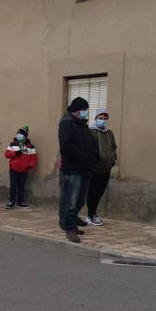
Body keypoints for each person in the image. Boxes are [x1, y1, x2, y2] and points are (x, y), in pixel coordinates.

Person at [58, 97, 98, 243]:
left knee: (80, 200)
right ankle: (69, 229)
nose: (86, 113)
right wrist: (84, 156)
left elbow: (89, 143)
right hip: (73, 169)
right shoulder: (67, 123)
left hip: (85, 169)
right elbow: (66, 146)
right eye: (84, 110)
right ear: (76, 110)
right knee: (71, 200)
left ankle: (72, 223)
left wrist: (94, 155)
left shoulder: (82, 124)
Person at [86, 109, 117, 226]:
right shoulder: (91, 132)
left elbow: (113, 146)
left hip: (107, 168)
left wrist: (113, 158)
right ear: (95, 118)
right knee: (93, 192)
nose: (102, 120)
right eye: (100, 118)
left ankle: (93, 213)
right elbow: (88, 148)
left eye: (104, 118)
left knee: (100, 192)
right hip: (95, 168)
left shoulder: (109, 133)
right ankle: (90, 215)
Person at [4, 126, 38, 209]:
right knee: (13, 186)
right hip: (13, 169)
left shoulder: (30, 146)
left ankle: (20, 202)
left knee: (21, 186)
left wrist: (30, 166)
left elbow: (34, 158)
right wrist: (15, 153)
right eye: (18, 133)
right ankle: (11, 201)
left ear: (25, 135)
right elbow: (6, 154)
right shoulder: (12, 144)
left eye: (21, 134)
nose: (19, 135)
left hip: (24, 170)